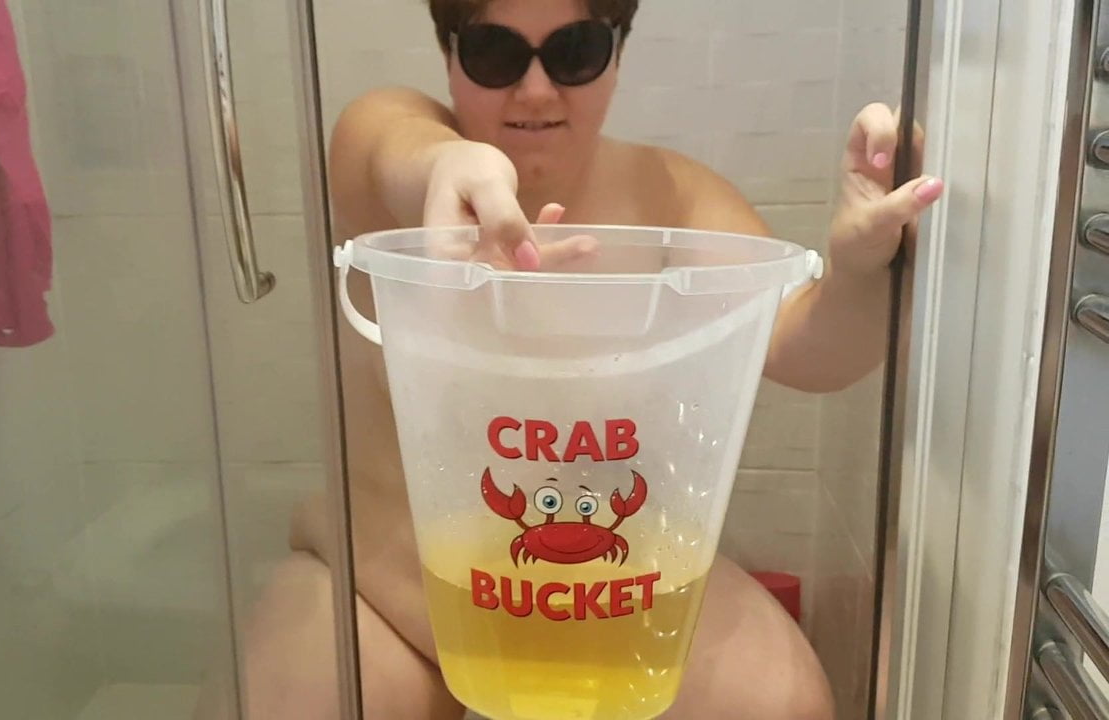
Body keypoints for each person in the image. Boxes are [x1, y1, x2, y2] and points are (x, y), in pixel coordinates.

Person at [198, 0, 945, 718]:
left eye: (574, 51)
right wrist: (452, 169)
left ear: (615, 54)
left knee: (779, 706)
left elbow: (805, 346)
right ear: (450, 55)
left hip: (608, 579)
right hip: (390, 574)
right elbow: (393, 149)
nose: (535, 89)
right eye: (494, 53)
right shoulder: (391, 135)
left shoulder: (671, 196)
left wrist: (860, 270)